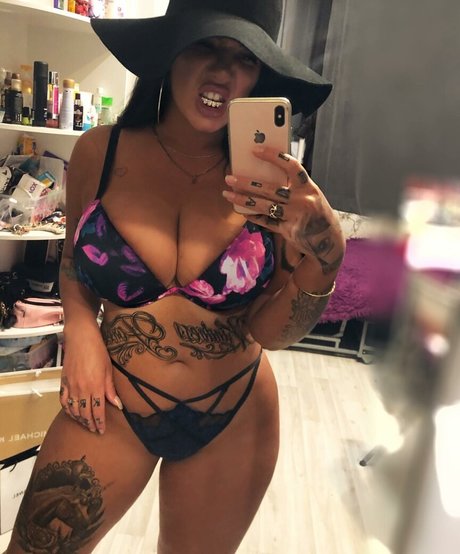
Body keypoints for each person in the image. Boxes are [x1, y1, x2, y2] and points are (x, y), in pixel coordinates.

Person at [6, 0, 345, 552]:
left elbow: (272, 334)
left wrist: (326, 255)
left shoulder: (274, 186)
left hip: (235, 412)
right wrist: (82, 332)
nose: (223, 72)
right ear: (170, 53)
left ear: (259, 77)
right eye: (205, 46)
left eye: (245, 59)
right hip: (113, 403)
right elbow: (72, 263)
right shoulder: (100, 152)